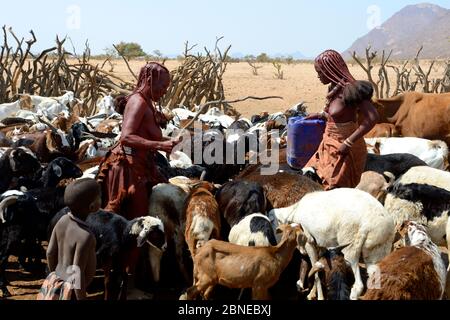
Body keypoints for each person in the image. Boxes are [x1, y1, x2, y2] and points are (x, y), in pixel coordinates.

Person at [97, 62, 179, 219]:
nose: (165, 91)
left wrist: (172, 140)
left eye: (167, 87)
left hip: (142, 166)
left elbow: (144, 135)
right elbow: (126, 137)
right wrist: (160, 145)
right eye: (162, 86)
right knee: (137, 221)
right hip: (127, 169)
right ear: (149, 80)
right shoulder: (138, 101)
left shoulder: (147, 101)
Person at [302, 50, 379, 190]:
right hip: (328, 143)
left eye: (320, 72)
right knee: (310, 177)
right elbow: (336, 116)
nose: (318, 76)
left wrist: (348, 142)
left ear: (330, 70)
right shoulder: (333, 88)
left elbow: (372, 117)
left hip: (346, 148)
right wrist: (320, 115)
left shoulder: (352, 89)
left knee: (334, 186)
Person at [37, 179, 101, 300]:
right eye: (100, 197)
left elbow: (50, 252)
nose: (101, 199)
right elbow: (77, 272)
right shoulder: (86, 236)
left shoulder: (62, 220)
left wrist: (55, 276)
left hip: (56, 282)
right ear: (92, 206)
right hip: (72, 292)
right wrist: (81, 297)